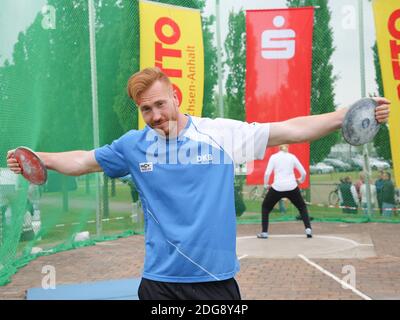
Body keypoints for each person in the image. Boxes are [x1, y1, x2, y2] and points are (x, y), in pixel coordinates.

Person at [6, 67, 390, 300]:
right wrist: (41, 160)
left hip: (217, 283)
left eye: (160, 104)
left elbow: (290, 128)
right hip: (159, 283)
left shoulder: (220, 133)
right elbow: (84, 160)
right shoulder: (132, 146)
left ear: (176, 96)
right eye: (146, 110)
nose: (155, 115)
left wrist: (344, 115)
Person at [257, 144, 312, 239]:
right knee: (302, 207)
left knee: (265, 208)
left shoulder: (274, 157)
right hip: (292, 186)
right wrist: (300, 180)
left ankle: (264, 233)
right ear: (287, 147)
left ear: (278, 147)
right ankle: (308, 230)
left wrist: (266, 185)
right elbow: (303, 172)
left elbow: (267, 173)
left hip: (277, 187)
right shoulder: (292, 157)